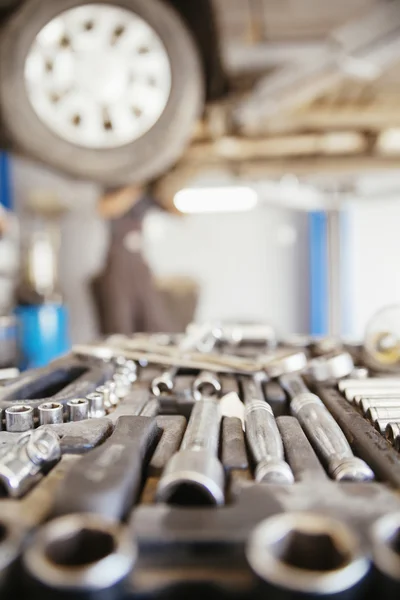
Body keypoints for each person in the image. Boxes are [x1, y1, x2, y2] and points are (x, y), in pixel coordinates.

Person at [92, 184, 174, 335]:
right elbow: (105, 208)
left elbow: (177, 212)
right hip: (118, 261)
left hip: (139, 260)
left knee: (154, 317)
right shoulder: (114, 185)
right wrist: (135, 188)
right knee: (120, 319)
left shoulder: (149, 192)